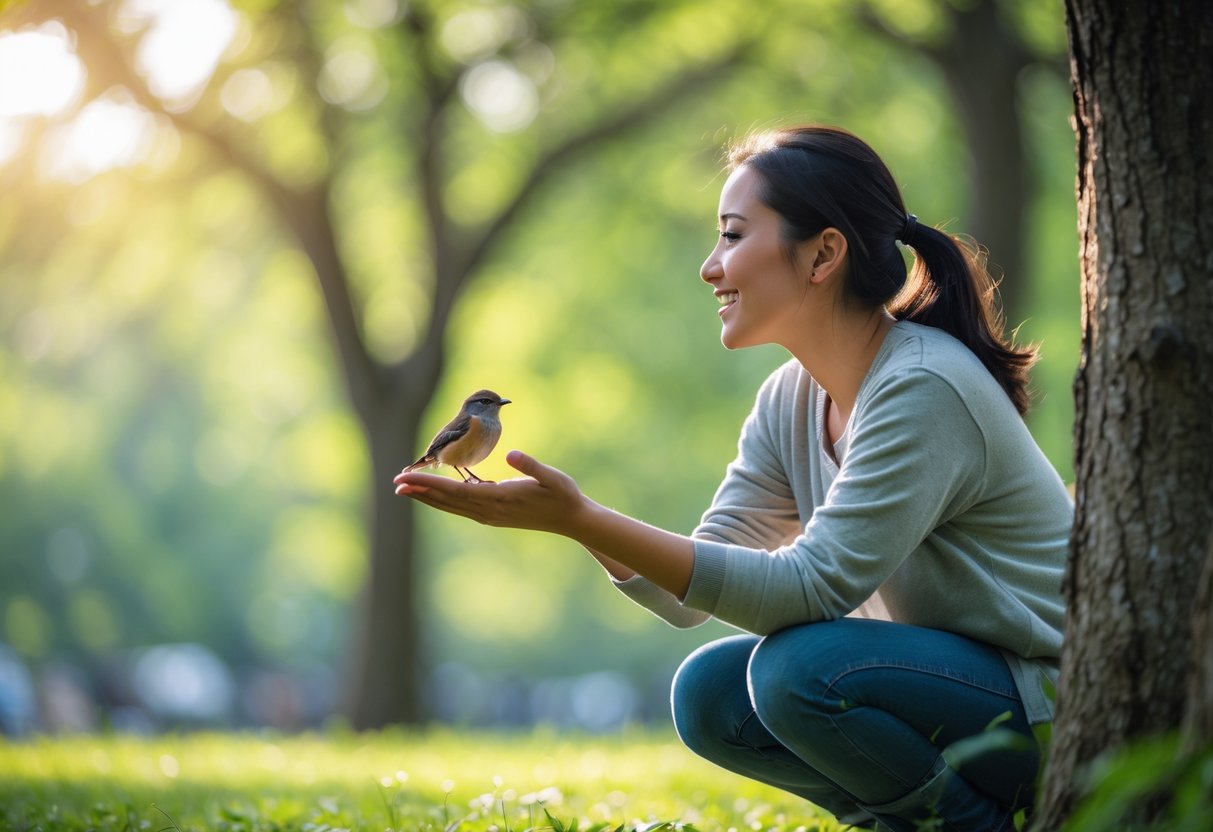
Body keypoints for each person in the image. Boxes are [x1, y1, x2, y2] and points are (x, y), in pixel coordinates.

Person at [394, 125, 1072, 832]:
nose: (709, 267)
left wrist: (581, 516)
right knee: (711, 694)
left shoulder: (922, 386)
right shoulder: (791, 397)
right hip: (953, 692)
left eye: (732, 235)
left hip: (1048, 705)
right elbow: (689, 591)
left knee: (798, 671)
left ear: (822, 254)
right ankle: (896, 821)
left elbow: (810, 589)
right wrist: (572, 521)